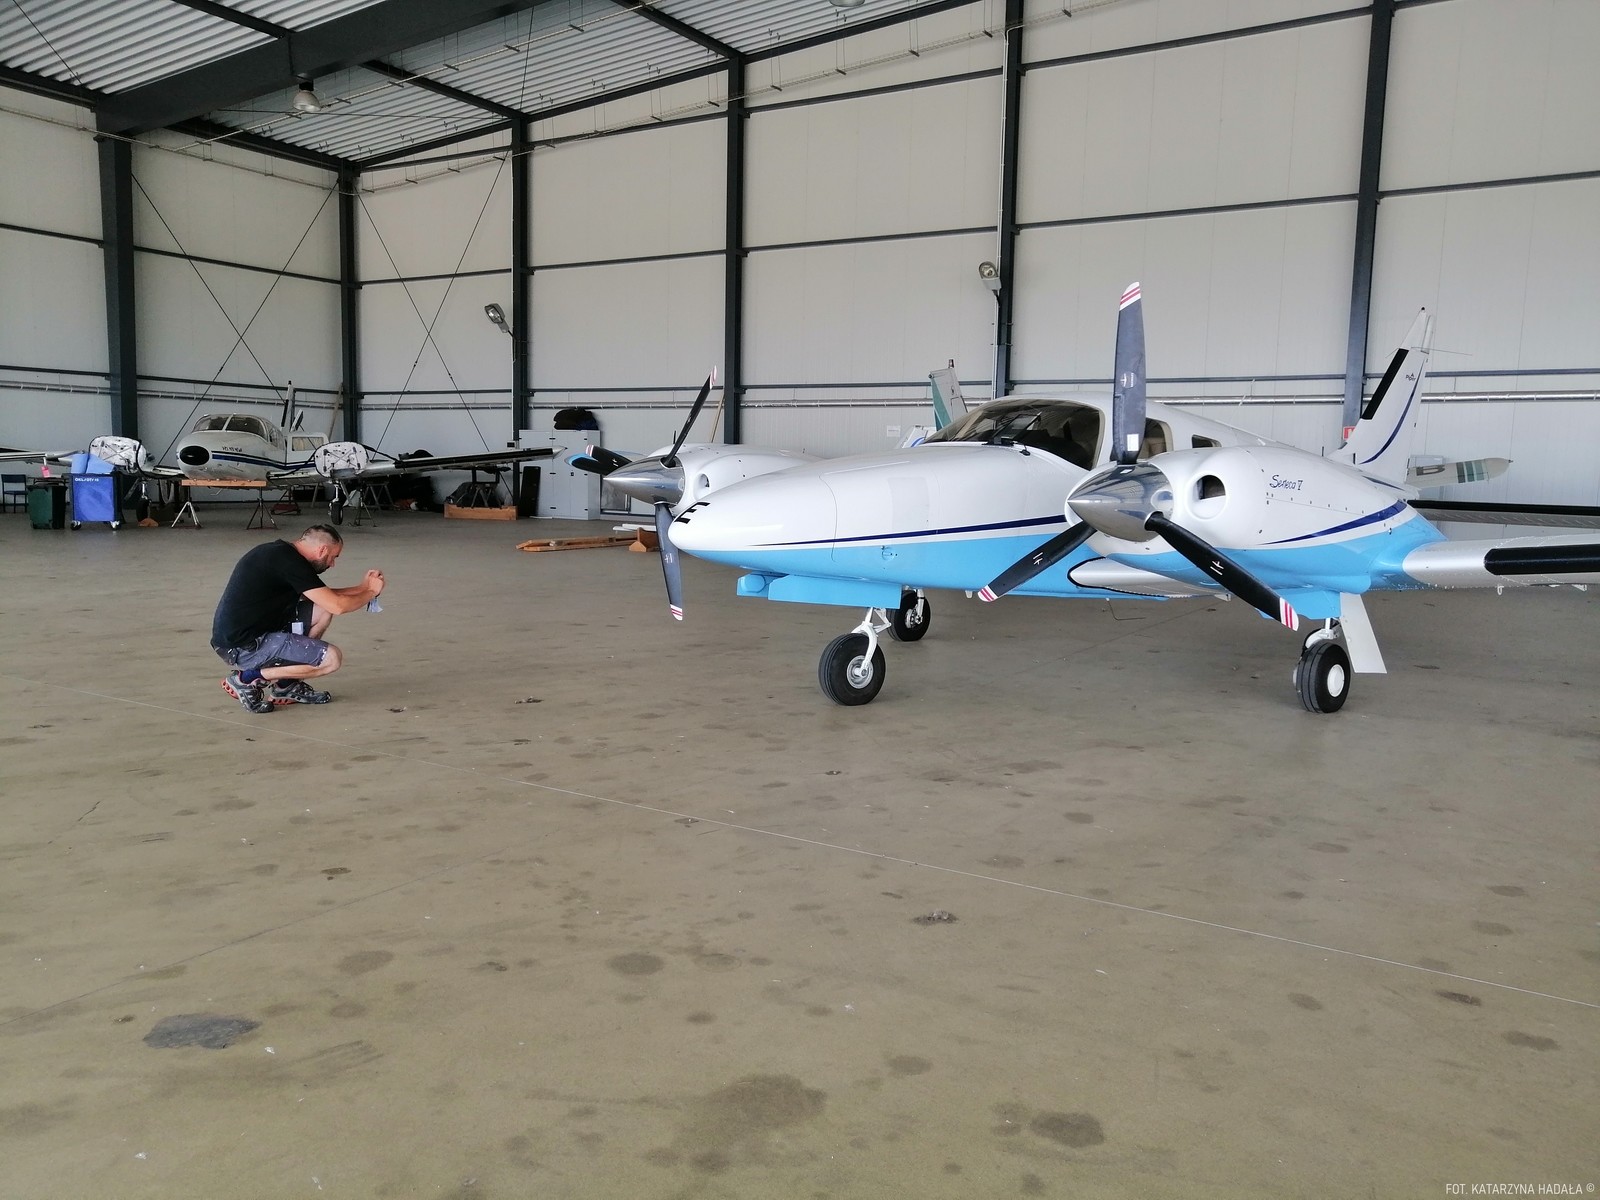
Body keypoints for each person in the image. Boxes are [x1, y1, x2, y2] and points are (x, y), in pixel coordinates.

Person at [210, 524, 385, 714]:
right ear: (322, 550)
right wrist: (371, 592)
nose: (332, 564)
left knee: (322, 609)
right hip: (243, 646)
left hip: (252, 633)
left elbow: (322, 597)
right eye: (333, 557)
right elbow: (338, 606)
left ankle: (286, 685)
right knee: (331, 659)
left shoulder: (283, 554)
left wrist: (362, 588)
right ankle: (246, 679)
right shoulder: (289, 563)